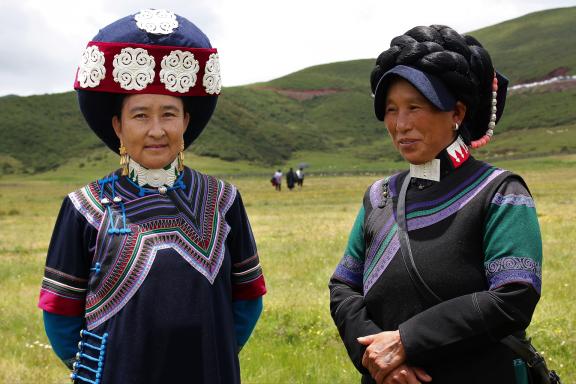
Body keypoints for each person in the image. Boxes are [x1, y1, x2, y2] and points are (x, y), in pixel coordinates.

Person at [38, 10, 266, 384]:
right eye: (141, 115)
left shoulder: (224, 200)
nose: (156, 130)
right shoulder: (84, 208)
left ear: (186, 122)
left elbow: (247, 299)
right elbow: (60, 315)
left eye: (169, 114)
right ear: (119, 126)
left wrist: (211, 355)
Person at [329, 25, 542, 384]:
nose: (401, 124)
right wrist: (378, 358)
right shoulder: (379, 196)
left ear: (457, 113)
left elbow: (514, 295)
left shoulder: (500, 192)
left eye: (415, 107)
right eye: (392, 109)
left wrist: (405, 342)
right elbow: (343, 287)